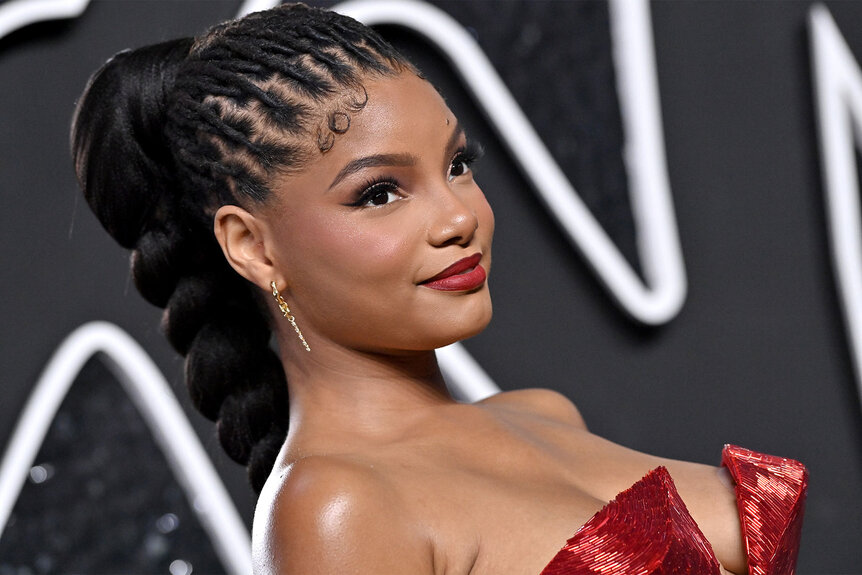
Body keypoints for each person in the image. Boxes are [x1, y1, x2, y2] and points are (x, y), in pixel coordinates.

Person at [70, 3, 807, 574]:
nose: (460, 216)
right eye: (380, 193)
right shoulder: (338, 508)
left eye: (458, 163)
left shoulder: (544, 414)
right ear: (252, 246)